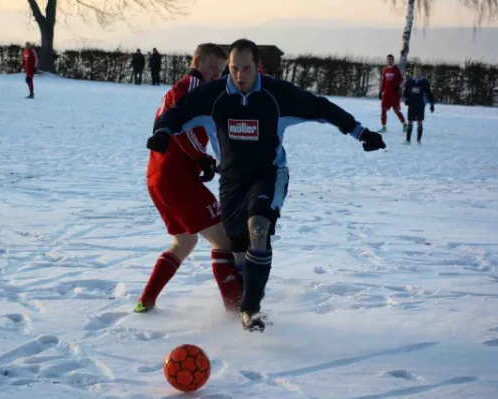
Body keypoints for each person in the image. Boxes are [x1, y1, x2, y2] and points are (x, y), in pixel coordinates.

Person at [146, 38, 386, 332]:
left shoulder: (276, 95)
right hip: (231, 182)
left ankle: (249, 311)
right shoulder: (215, 95)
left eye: (245, 69)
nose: (239, 76)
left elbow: (320, 107)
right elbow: (177, 112)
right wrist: (164, 132)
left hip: (268, 174)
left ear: (256, 67)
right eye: (233, 69)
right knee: (237, 247)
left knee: (258, 228)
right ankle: (241, 307)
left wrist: (360, 132)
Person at [135, 43, 243, 314]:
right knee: (225, 241)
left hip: (157, 177)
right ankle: (235, 310)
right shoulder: (192, 85)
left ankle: (145, 301)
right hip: (177, 178)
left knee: (185, 242)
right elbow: (182, 130)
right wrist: (202, 158)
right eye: (210, 67)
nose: (214, 75)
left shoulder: (179, 87)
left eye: (219, 72)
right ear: (197, 62)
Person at [402, 65, 435, 145]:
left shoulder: (424, 82)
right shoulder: (409, 81)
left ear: (421, 72)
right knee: (410, 121)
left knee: (419, 122)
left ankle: (418, 140)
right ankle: (408, 140)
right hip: (411, 104)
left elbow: (429, 93)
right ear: (413, 71)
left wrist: (431, 104)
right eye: (415, 70)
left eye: (418, 70)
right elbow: (406, 92)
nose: (417, 72)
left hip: (420, 104)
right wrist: (406, 99)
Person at [379, 54, 407, 133]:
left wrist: (398, 86)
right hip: (386, 94)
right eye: (388, 59)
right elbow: (383, 81)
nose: (389, 61)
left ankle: (405, 124)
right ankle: (384, 127)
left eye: (391, 59)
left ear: (393, 60)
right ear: (386, 60)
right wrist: (381, 91)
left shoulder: (396, 70)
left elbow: (401, 80)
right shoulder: (385, 69)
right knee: (383, 110)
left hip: (394, 94)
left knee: (396, 111)